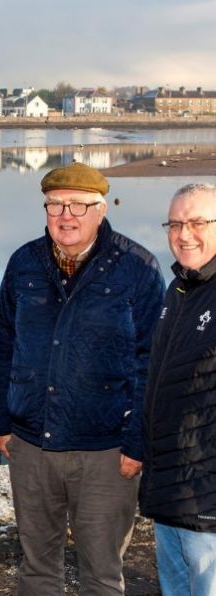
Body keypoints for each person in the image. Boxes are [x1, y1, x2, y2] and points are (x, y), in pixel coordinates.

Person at [0, 162, 165, 595]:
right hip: (32, 446)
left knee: (102, 573)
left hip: (105, 451)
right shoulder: (24, 262)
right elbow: (1, 345)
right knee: (36, 570)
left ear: (101, 210)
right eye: (55, 205)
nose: (66, 215)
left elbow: (150, 362)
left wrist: (136, 443)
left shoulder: (136, 268)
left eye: (79, 206)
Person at [141, 183, 216, 595]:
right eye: (175, 224)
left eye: (198, 222)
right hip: (171, 491)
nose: (184, 234)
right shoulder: (180, 289)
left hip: (207, 497)